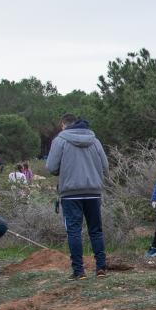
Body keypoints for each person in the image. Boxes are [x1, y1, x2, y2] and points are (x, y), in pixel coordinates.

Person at [46, 113, 110, 279]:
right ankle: (101, 267)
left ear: (63, 125)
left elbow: (52, 167)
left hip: (70, 193)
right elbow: (105, 166)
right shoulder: (94, 140)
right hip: (93, 192)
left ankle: (78, 271)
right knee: (96, 230)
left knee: (74, 231)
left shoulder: (60, 140)